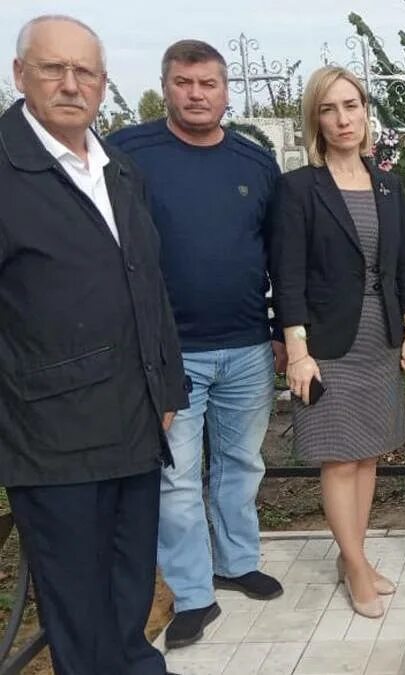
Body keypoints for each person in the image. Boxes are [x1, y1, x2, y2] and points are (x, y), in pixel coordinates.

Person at [0, 15, 188, 675]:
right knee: (79, 612)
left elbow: (148, 283)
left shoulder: (119, 171)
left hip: (132, 423)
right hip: (52, 439)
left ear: (104, 84)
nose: (71, 84)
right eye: (55, 69)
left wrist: (167, 387)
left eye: (86, 72)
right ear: (21, 75)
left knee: (130, 589)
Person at [107, 39, 286, 649]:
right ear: (166, 86)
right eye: (183, 82)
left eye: (208, 83)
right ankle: (191, 594)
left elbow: (277, 252)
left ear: (226, 90)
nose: (196, 94)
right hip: (168, 351)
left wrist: (286, 334)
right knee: (176, 479)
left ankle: (236, 562)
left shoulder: (254, 162)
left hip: (245, 345)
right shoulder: (128, 154)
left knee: (240, 464)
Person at [269, 66, 405, 619]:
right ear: (317, 117)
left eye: (352, 105)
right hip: (326, 346)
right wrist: (298, 350)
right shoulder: (298, 188)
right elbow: (285, 275)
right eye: (330, 108)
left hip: (379, 339)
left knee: (369, 456)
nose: (343, 118)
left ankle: (350, 556)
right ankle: (356, 566)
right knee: (338, 460)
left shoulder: (388, 184)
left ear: (365, 112)